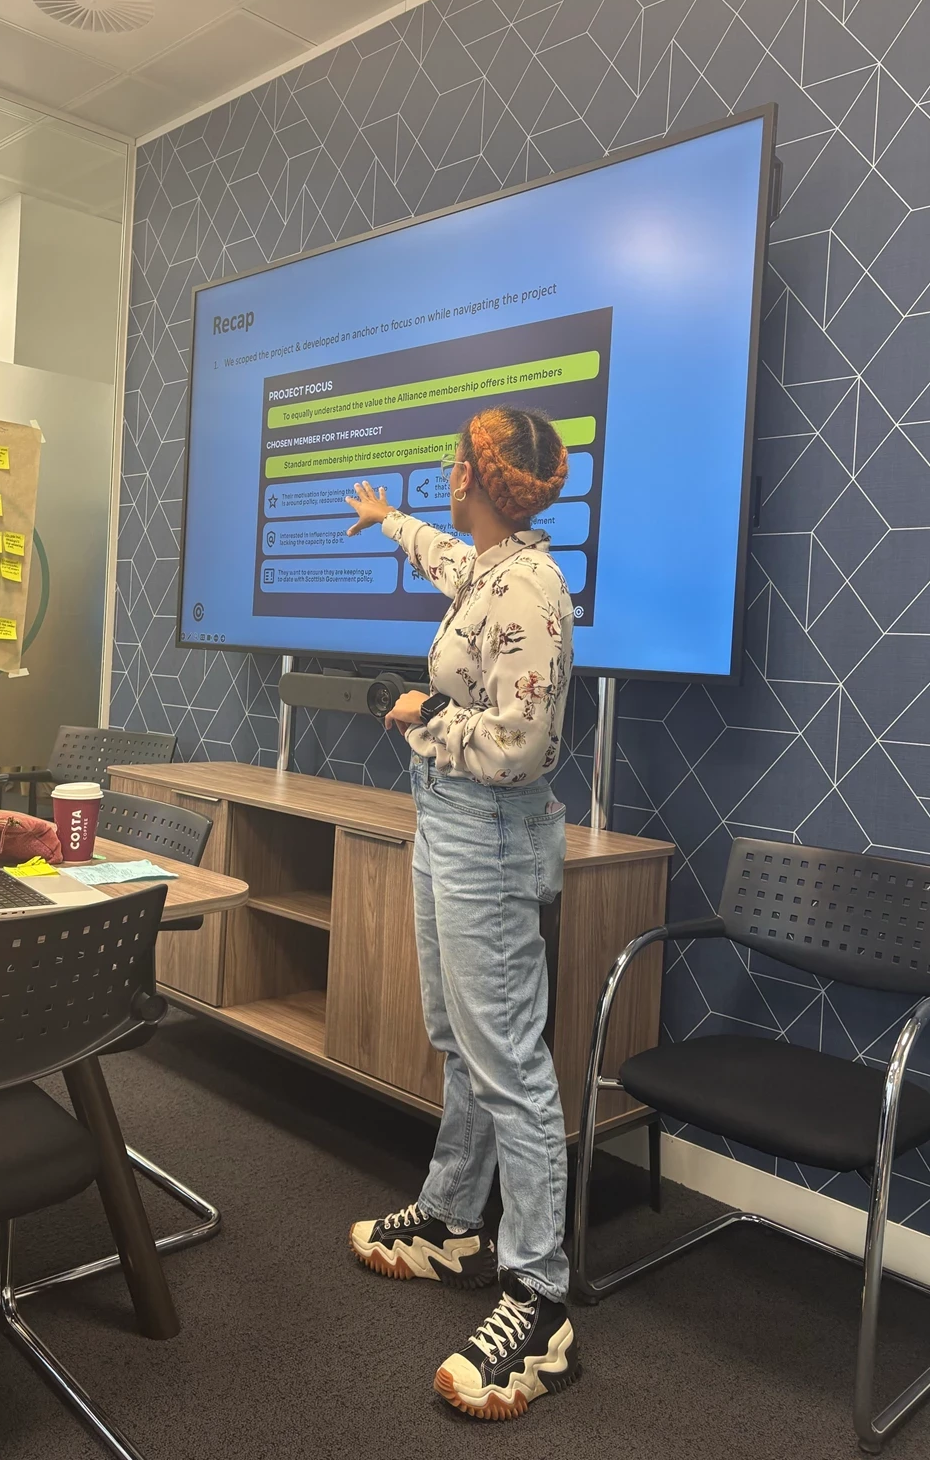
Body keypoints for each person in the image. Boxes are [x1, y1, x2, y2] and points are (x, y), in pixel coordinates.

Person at [344, 406, 578, 1422]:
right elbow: (446, 559)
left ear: (483, 478)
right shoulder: (490, 564)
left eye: (456, 462)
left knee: (510, 1063)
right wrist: (388, 518)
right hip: (449, 821)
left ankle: (539, 1297)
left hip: (488, 827)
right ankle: (450, 1220)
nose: (448, 472)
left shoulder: (526, 588)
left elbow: (520, 742)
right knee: (460, 1035)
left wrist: (424, 715)